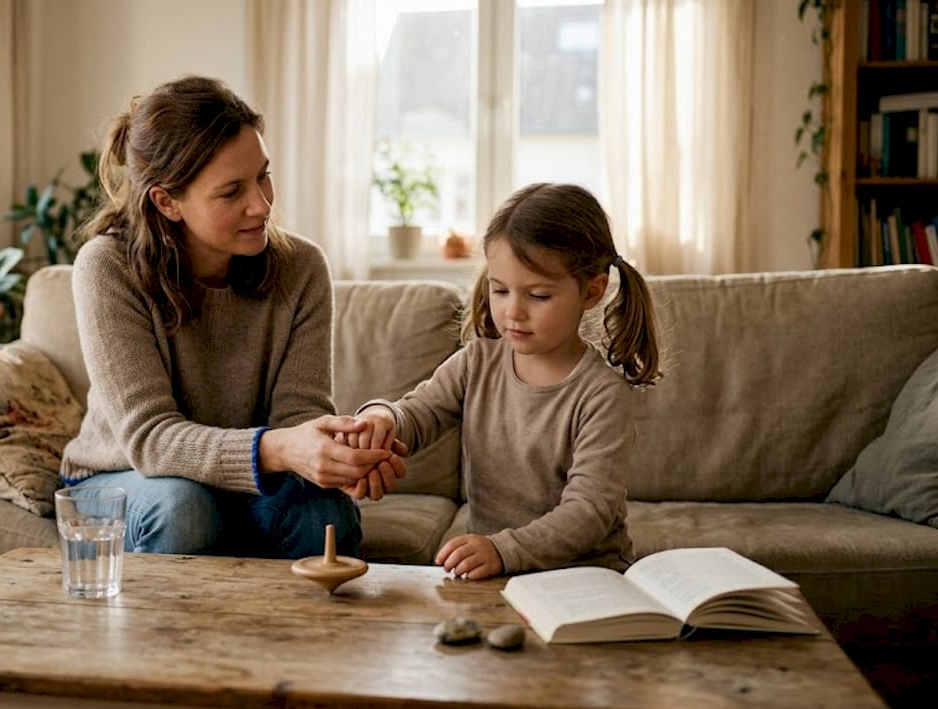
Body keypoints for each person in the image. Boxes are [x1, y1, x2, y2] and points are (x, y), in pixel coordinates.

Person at [60, 75, 403, 559]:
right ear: (167, 201)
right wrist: (283, 449)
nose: (261, 204)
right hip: (120, 480)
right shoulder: (107, 267)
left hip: (241, 484)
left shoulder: (301, 269)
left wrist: (340, 454)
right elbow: (151, 440)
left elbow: (299, 415)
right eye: (231, 191)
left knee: (323, 510)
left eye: (263, 175)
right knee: (184, 507)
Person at [351, 182, 661, 580]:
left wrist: (503, 549)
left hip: (585, 576)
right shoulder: (477, 361)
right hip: (494, 574)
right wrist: (381, 419)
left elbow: (589, 511)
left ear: (592, 292)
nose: (513, 311)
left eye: (538, 296)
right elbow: (418, 414)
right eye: (500, 290)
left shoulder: (603, 395)